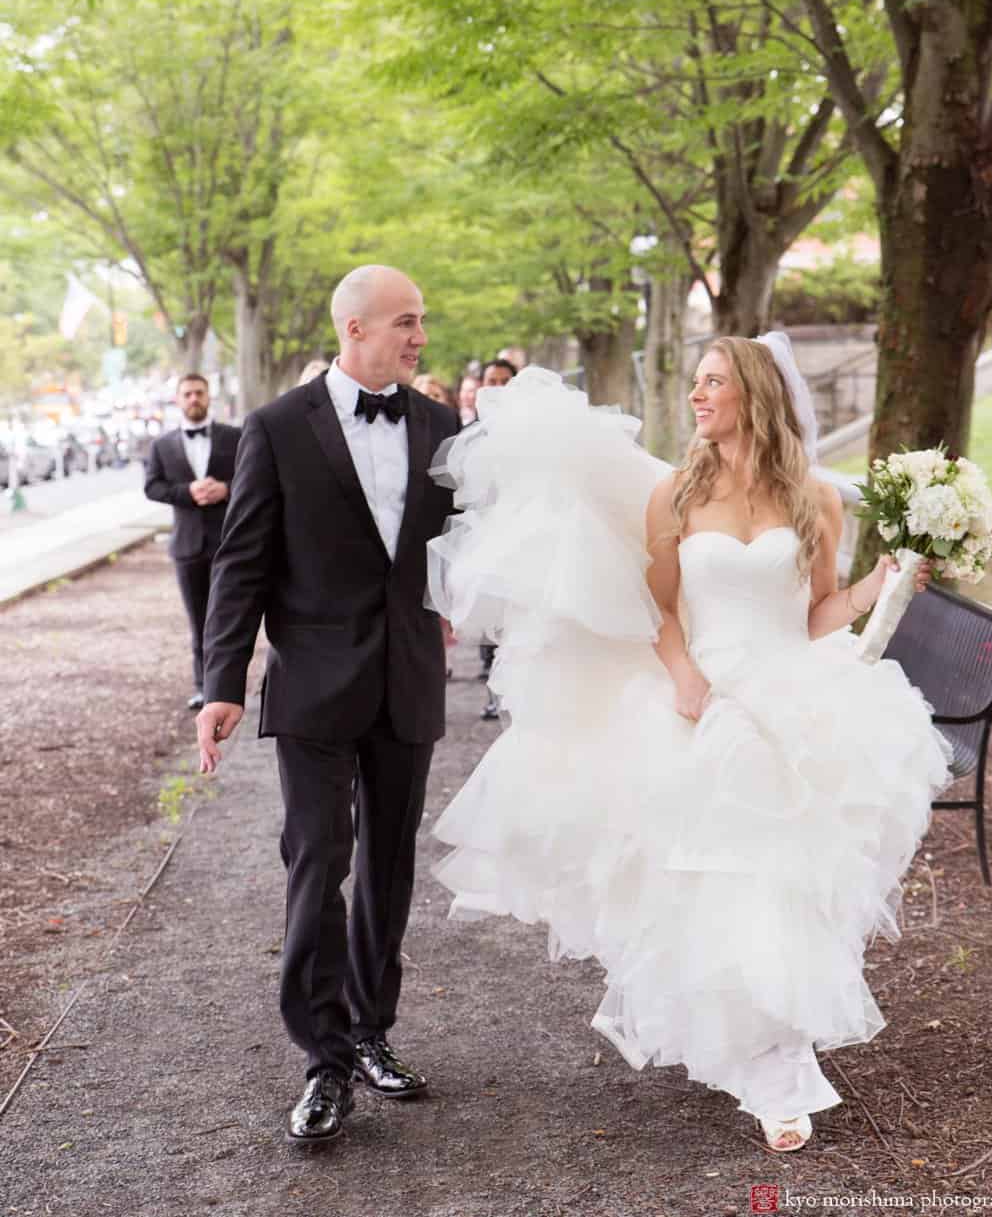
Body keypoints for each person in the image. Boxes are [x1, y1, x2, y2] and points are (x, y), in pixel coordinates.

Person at [426, 339, 952, 1153]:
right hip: (704, 696)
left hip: (793, 694)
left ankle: (779, 1054)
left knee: (783, 880)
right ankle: (762, 1059)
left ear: (756, 395)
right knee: (721, 881)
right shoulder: (675, 494)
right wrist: (682, 678)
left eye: (715, 381)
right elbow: (660, 610)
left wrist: (877, 587)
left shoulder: (815, 498)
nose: (699, 395)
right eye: (698, 381)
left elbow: (816, 613)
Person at [196, 265, 460, 1146]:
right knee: (319, 862)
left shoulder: (440, 423)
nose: (419, 337)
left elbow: (461, 543)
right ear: (354, 327)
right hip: (312, 680)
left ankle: (372, 1029)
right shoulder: (275, 428)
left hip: (408, 677)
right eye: (406, 322)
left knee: (388, 867)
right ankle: (325, 1059)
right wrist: (221, 683)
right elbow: (240, 562)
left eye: (420, 323)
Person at [143, 374, 241, 711]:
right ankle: (204, 688)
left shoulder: (235, 437)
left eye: (199, 393)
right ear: (178, 400)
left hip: (229, 544)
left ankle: (231, 689)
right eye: (187, 394)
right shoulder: (162, 445)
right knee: (197, 621)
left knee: (228, 619)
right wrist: (187, 492)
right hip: (186, 547)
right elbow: (152, 487)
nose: (194, 399)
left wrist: (226, 489)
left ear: (209, 396)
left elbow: (254, 477)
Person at [474, 358, 519, 716]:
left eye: (505, 380)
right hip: (482, 537)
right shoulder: (471, 433)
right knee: (490, 618)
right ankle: (493, 686)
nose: (498, 387)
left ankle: (509, 692)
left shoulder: (531, 430)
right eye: (492, 380)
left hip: (519, 539)